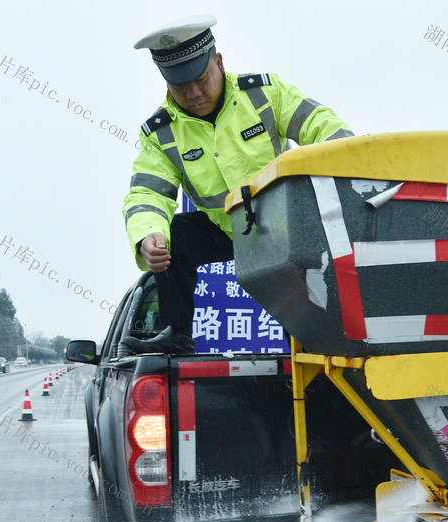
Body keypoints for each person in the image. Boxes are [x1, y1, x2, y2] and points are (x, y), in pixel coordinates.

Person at [121, 15, 353, 354]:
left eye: (201, 80)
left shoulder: (263, 93)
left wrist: (350, 158)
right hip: (227, 231)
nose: (194, 93)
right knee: (175, 234)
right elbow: (147, 192)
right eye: (180, 87)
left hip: (284, 227)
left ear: (219, 62)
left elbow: (320, 125)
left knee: (309, 297)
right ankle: (176, 336)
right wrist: (147, 235)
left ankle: (321, 342)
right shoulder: (160, 132)